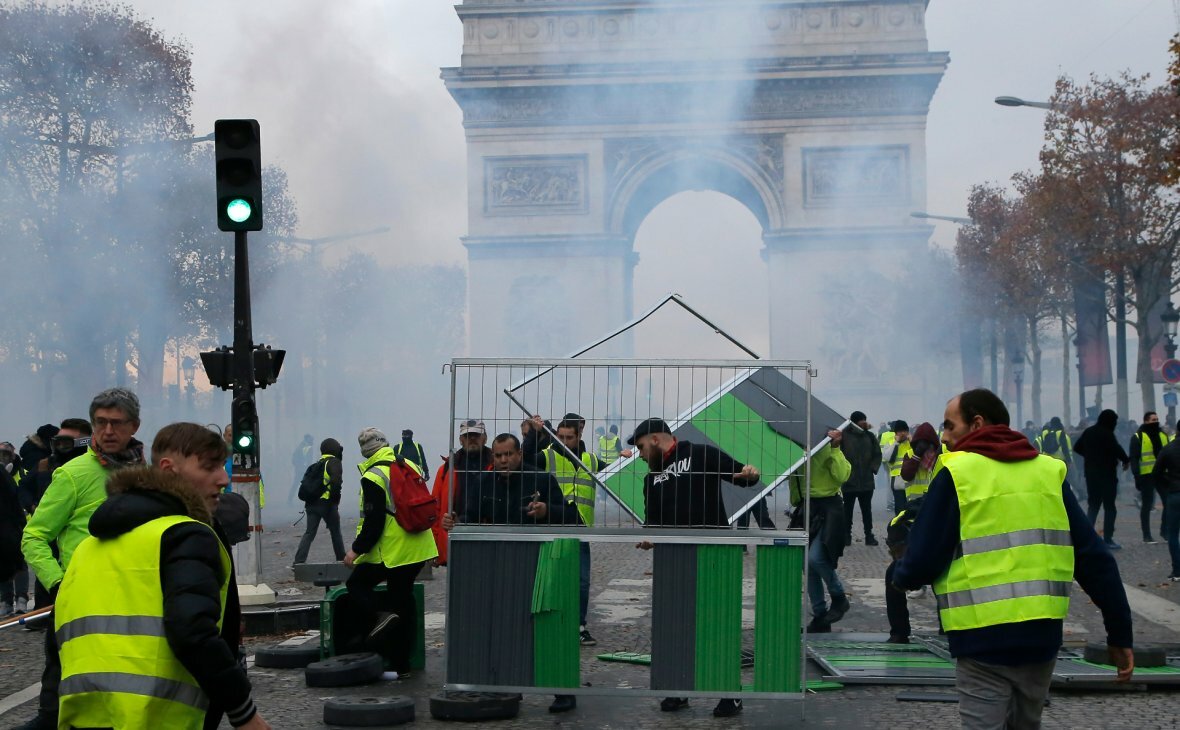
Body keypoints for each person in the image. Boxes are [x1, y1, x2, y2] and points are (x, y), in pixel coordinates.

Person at [894, 389, 1133, 728]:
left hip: (980, 639)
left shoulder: (958, 473)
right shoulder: (1048, 472)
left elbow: (922, 559)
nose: (943, 436)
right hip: (1041, 639)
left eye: (949, 426)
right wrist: (1119, 634)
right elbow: (1094, 558)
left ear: (977, 423)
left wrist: (901, 576)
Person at [54, 422, 269, 730]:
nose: (223, 478)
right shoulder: (185, 535)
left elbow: (57, 646)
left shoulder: (87, 549)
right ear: (169, 469)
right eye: (209, 467)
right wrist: (243, 712)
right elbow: (193, 632)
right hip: (159, 718)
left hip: (84, 718)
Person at [17, 388, 146, 730]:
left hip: (133, 606)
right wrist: (60, 584)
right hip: (79, 607)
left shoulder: (148, 475)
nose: (108, 431)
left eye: (117, 423)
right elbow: (34, 537)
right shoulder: (72, 474)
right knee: (56, 710)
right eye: (100, 422)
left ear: (134, 425)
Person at [439, 433, 581, 713]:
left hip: (540, 562)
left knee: (547, 627)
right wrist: (455, 522)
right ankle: (509, 685)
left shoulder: (542, 479)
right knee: (506, 627)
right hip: (500, 563)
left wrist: (546, 512)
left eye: (508, 455)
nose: (503, 460)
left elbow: (572, 518)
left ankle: (562, 691)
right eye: (499, 456)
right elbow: (470, 518)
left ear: (519, 455)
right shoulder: (484, 481)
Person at [630, 417, 759, 718]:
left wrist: (751, 473)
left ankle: (729, 693)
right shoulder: (651, 479)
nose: (640, 455)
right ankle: (678, 688)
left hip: (714, 556)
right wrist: (649, 538)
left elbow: (741, 475)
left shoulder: (701, 454)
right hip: (674, 561)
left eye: (641, 447)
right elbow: (652, 522)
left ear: (655, 439)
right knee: (676, 625)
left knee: (717, 625)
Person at [344, 428, 438, 679]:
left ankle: (380, 615)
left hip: (394, 550)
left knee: (356, 585)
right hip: (420, 545)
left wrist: (355, 551)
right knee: (401, 601)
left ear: (365, 451)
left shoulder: (373, 476)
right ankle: (402, 666)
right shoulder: (408, 464)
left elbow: (374, 523)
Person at [529, 415, 600, 648]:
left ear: (579, 437)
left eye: (569, 437)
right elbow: (524, 460)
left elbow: (616, 472)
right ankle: (549, 623)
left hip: (581, 529)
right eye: (560, 437)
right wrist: (533, 433)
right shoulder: (547, 455)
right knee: (549, 578)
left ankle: (579, 626)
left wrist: (625, 457)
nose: (564, 441)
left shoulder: (590, 459)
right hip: (552, 527)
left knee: (581, 581)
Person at [789, 429, 852, 634]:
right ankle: (820, 616)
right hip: (807, 507)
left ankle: (839, 597)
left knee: (815, 558)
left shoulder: (827, 444)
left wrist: (835, 448)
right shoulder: (796, 447)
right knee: (805, 563)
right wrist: (797, 500)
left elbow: (842, 475)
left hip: (829, 507)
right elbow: (796, 478)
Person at [430, 419, 493, 566]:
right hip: (455, 534)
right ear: (460, 439)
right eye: (467, 435)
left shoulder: (497, 466)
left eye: (476, 435)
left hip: (488, 535)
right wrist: (435, 545)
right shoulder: (446, 468)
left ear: (485, 438)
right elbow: (435, 508)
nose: (472, 439)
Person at [1074, 409, 1130, 549]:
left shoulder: (1089, 432)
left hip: (1091, 475)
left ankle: (1086, 537)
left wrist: (1089, 455)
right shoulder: (1108, 434)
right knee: (1110, 507)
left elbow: (1077, 447)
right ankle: (1108, 539)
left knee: (1093, 505)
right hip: (1107, 475)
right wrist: (1125, 460)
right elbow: (1117, 449)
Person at [293, 438, 347, 565]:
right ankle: (341, 559)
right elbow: (336, 483)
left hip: (311, 504)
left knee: (309, 533)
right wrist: (335, 501)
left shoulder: (316, 465)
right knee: (335, 532)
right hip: (327, 504)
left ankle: (298, 561)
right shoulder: (334, 462)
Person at [840, 411, 881, 546]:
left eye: (864, 419)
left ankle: (869, 535)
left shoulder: (869, 436)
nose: (863, 422)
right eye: (860, 420)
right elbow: (839, 454)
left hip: (866, 481)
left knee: (867, 511)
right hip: (849, 480)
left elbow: (877, 454)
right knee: (847, 511)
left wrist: (873, 469)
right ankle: (846, 535)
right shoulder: (844, 436)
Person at [1130, 411, 1171, 543]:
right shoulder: (1138, 437)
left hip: (1162, 475)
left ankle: (1164, 531)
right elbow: (1134, 458)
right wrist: (1136, 476)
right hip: (1146, 475)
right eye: (1153, 420)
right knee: (1147, 505)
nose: (1156, 422)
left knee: (1168, 502)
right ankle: (1146, 535)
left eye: (1157, 419)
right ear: (1146, 421)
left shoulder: (1163, 435)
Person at [1153, 435, 1180, 581]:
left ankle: (1177, 570)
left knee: (1173, 534)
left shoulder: (1168, 449)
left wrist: (1167, 485)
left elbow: (1156, 472)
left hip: (1175, 493)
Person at [884, 420, 912, 515]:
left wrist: (912, 442)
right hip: (897, 481)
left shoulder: (911, 442)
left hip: (911, 481)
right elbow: (887, 457)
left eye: (905, 431)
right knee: (900, 509)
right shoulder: (891, 442)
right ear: (896, 432)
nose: (903, 433)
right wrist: (896, 442)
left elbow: (918, 454)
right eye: (900, 431)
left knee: (911, 509)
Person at [289, 434, 314, 506]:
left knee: (300, 484)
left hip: (303, 469)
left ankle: (290, 500)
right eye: (310, 439)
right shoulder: (302, 447)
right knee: (301, 484)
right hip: (302, 470)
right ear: (307, 439)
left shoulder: (304, 446)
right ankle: (290, 500)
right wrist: (300, 466)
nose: (312, 440)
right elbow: (296, 458)